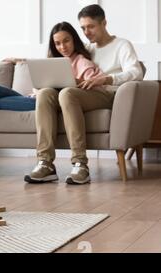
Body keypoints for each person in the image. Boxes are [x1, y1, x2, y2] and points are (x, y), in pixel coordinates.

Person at [25, 4, 143, 185]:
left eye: (91, 26)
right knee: (46, 94)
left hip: (108, 94)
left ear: (104, 23)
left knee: (67, 94)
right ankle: (45, 163)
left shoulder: (122, 45)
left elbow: (136, 72)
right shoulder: (87, 48)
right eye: (83, 28)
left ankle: (80, 164)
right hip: (84, 93)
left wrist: (106, 79)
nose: (86, 32)